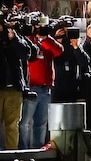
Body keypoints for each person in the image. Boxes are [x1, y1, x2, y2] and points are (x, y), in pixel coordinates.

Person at [0, 10, 34, 151]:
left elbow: (27, 53)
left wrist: (14, 39)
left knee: (13, 125)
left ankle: (11, 154)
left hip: (14, 87)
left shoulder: (14, 36)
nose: (0, 26)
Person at [19, 16, 63, 149]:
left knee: (41, 123)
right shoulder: (27, 40)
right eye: (36, 26)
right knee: (25, 123)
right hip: (31, 87)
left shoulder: (47, 41)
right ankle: (24, 151)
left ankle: (37, 151)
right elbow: (27, 51)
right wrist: (33, 36)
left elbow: (59, 50)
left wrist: (45, 37)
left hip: (46, 88)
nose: (39, 29)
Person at [51, 24, 90, 103]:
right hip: (57, 86)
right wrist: (57, 42)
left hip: (72, 86)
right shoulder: (53, 44)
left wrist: (76, 47)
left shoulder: (75, 45)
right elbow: (51, 58)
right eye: (64, 32)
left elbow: (84, 61)